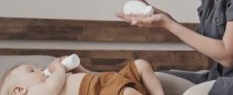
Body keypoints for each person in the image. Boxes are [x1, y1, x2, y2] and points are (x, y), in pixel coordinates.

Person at [0, 56, 164, 95]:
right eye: (31, 70)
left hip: (107, 81)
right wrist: (58, 67)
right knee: (128, 93)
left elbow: (93, 76)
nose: (40, 69)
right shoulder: (35, 92)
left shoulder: (56, 77)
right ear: (18, 90)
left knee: (140, 64)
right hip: (99, 92)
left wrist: (79, 69)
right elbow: (52, 87)